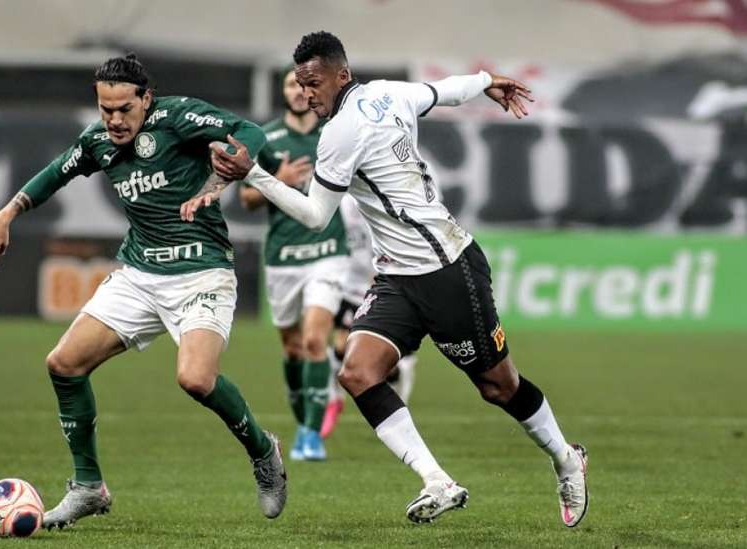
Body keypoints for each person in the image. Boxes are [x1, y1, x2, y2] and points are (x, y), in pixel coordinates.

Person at [182, 32, 588, 527]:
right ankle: (436, 481)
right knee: (356, 372)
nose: (308, 94)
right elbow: (444, 92)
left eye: (314, 83)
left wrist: (258, 176)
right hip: (397, 275)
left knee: (499, 387)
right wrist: (486, 82)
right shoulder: (389, 92)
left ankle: (567, 458)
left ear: (341, 75)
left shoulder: (339, 134)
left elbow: (314, 215)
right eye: (300, 85)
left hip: (447, 269)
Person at [0, 54, 287, 529]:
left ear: (146, 98)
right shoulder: (98, 141)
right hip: (139, 275)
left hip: (202, 272)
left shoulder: (177, 116)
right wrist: (6, 214)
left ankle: (264, 451)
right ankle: (88, 487)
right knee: (63, 364)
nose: (115, 120)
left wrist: (219, 177)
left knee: (196, 380)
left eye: (125, 108)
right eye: (106, 110)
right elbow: (55, 174)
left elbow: (250, 132)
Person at [239, 68, 349, 461]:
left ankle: (310, 434)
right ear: (283, 92)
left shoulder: (334, 132)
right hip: (284, 255)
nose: (300, 91)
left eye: (305, 84)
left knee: (315, 340)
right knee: (292, 348)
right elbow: (246, 200)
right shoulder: (266, 138)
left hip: (328, 251)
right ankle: (304, 420)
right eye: (291, 84)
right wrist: (277, 179)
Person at [320, 194, 417, 439]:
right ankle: (334, 401)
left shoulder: (384, 197)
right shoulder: (341, 199)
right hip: (350, 283)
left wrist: (384, 272)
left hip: (385, 282)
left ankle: (398, 408)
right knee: (341, 346)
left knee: (386, 363)